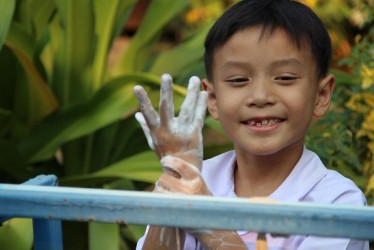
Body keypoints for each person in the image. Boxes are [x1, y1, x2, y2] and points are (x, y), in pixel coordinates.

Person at [133, 0, 369, 249]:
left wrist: (205, 217)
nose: (260, 96)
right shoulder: (197, 180)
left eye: (285, 78)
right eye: (238, 79)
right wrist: (175, 177)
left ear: (321, 96)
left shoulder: (336, 202)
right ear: (212, 99)